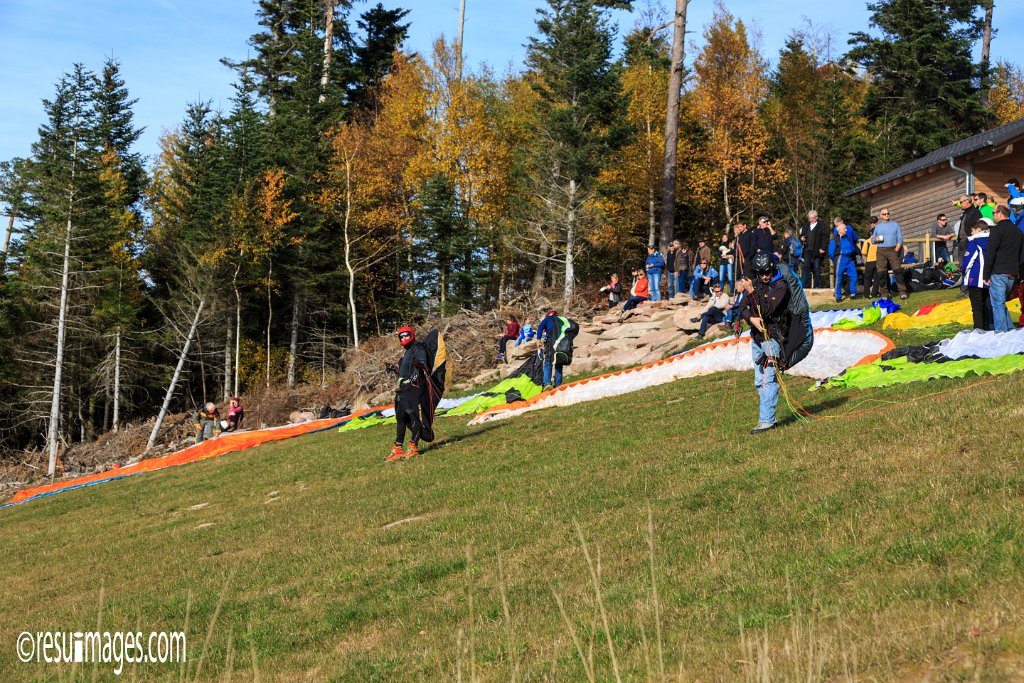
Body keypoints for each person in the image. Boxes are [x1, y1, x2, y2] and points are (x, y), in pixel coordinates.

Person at [739, 253, 810, 434]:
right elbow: (742, 307)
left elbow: (768, 310)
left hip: (772, 338)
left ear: (773, 269)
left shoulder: (781, 286)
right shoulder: (755, 284)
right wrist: (751, 319)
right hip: (756, 338)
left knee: (768, 380)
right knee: (758, 381)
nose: (764, 276)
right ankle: (769, 413)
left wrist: (752, 294)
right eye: (761, 273)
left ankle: (767, 420)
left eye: (767, 272)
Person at [386, 326, 428, 462]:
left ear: (412, 335)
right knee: (401, 418)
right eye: (401, 336)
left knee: (413, 417)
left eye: (406, 335)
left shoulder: (417, 347)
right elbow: (406, 371)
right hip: (402, 389)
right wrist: (394, 370)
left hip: (413, 388)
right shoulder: (407, 351)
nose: (403, 338)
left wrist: (420, 363)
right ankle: (398, 448)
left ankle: (413, 446)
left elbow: (422, 360)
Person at [983, 205, 1023, 332]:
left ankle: (1001, 333)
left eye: (993, 213)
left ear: (1000, 214)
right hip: (1013, 273)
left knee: (997, 304)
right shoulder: (1017, 231)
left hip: (999, 271)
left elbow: (991, 253)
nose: (992, 215)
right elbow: (1022, 255)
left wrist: (986, 274)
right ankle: (1010, 329)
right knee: (1000, 303)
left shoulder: (997, 230)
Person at [870, 207, 908, 300]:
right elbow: (872, 240)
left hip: (892, 250)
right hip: (881, 251)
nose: (886, 215)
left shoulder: (895, 225)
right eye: (884, 214)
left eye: (888, 213)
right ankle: (884, 294)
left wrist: (896, 250)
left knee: (897, 271)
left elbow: (900, 239)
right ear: (880, 215)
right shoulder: (877, 227)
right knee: (881, 273)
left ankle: (902, 292)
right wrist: (876, 239)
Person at [961, 219, 992, 331]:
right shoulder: (992, 241)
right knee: (986, 305)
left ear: (979, 230)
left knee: (977, 307)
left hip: (975, 278)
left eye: (972, 231)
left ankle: (979, 329)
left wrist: (963, 271)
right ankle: (988, 327)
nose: (971, 233)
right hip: (988, 278)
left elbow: (969, 261)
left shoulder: (974, 242)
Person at [535, 310, 570, 391]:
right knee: (558, 364)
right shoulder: (562, 320)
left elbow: (540, 328)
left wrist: (538, 340)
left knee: (548, 362)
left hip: (551, 344)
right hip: (561, 344)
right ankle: (558, 385)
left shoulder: (547, 319)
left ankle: (547, 383)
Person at [828, 217, 859, 303]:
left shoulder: (847, 238)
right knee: (839, 278)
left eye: (845, 228)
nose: (846, 230)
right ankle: (838, 296)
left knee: (854, 275)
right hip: (840, 259)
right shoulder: (834, 239)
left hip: (849, 259)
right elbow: (830, 252)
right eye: (844, 228)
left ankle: (853, 293)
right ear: (839, 230)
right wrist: (836, 260)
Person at [799, 210, 828, 288]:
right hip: (807, 250)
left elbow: (825, 238)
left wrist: (823, 248)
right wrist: (801, 238)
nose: (811, 220)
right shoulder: (806, 225)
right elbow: (802, 234)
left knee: (816, 268)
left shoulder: (822, 225)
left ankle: (818, 286)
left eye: (812, 218)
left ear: (816, 217)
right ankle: (803, 285)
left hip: (817, 250)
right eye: (809, 218)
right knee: (806, 267)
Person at [858, 216, 880, 298]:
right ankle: (874, 294)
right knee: (877, 278)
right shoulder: (879, 242)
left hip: (870, 261)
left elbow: (863, 252)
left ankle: (866, 294)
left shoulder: (867, 241)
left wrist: (868, 255)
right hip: (877, 260)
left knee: (867, 278)